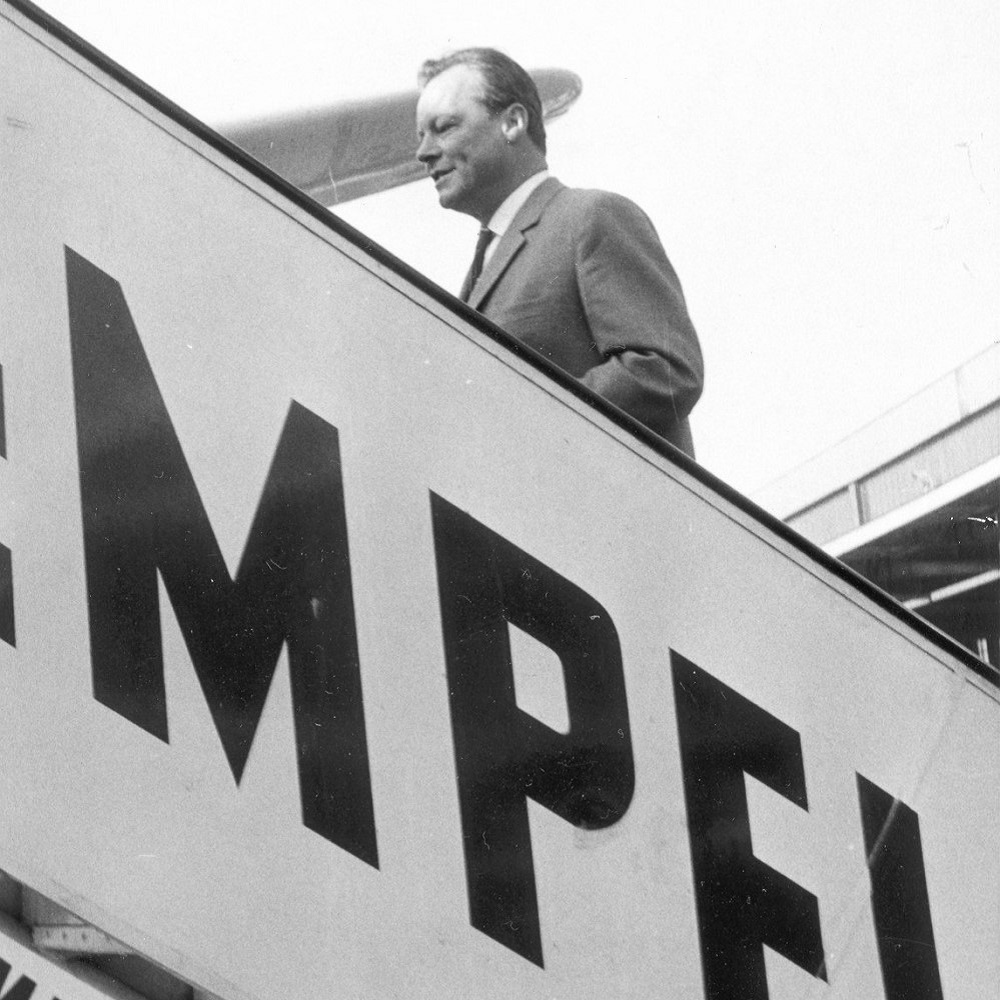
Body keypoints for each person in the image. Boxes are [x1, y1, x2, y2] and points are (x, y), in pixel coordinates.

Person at [415, 48, 704, 456]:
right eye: (420, 135)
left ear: (513, 122)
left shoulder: (590, 216)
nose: (423, 152)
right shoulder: (486, 260)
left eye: (443, 127)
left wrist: (521, 429)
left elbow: (665, 371)